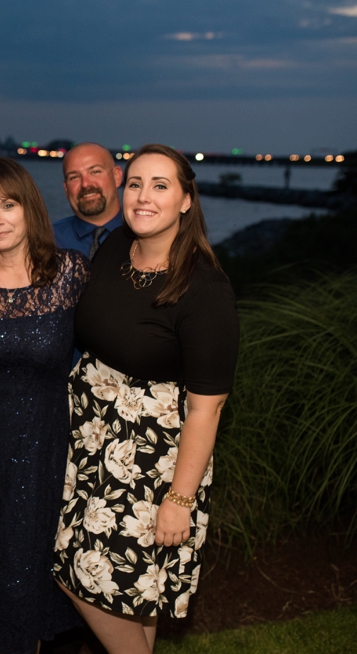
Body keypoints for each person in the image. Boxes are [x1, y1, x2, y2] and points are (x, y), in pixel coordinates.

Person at [54, 144, 239, 654]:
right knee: (135, 593)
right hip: (89, 435)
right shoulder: (116, 245)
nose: (143, 196)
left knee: (81, 577)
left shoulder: (205, 289)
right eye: (135, 183)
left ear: (185, 200)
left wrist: (178, 501)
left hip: (150, 456)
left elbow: (207, 406)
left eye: (160, 185)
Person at [0, 157, 90, 654]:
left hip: (45, 445)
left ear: (29, 208)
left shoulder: (70, 273)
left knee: (29, 570)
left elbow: (110, 344)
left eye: (7, 205)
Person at [52, 143, 124, 259]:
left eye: (95, 172)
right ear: (66, 188)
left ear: (117, 176)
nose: (85, 184)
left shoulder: (145, 236)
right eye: (74, 177)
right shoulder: (47, 241)